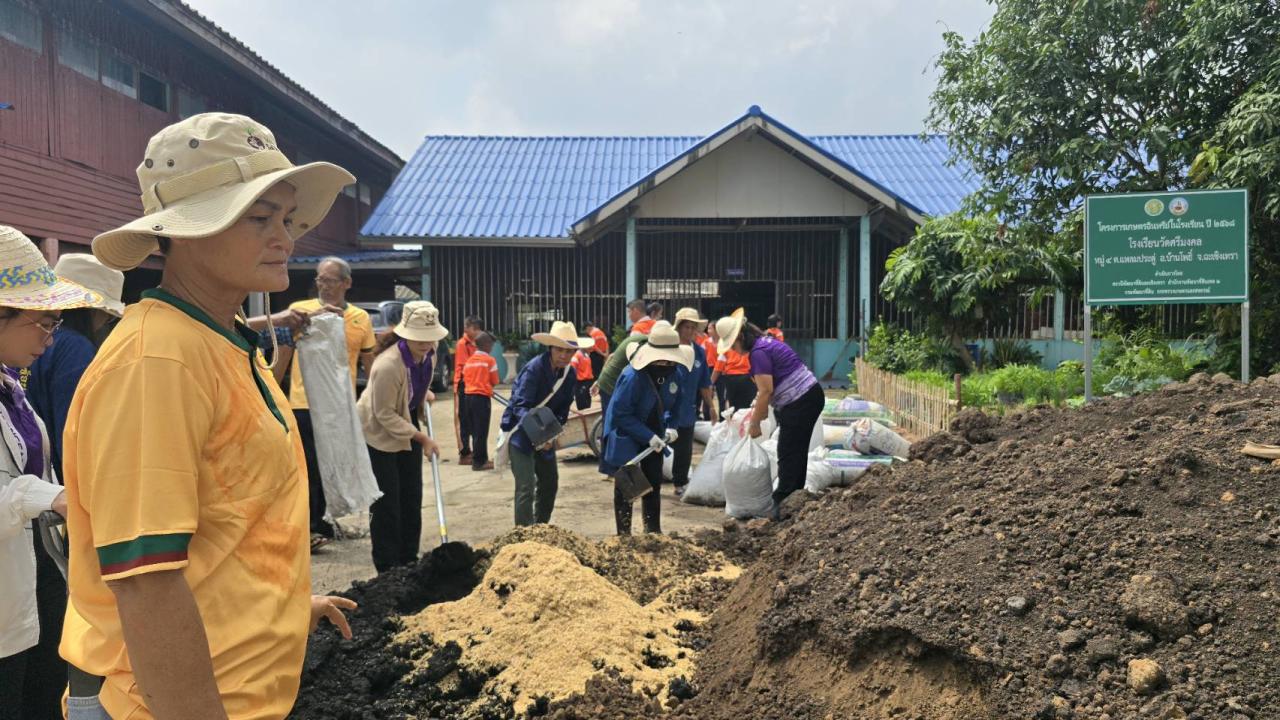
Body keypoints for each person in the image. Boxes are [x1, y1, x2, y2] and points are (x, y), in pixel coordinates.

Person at [61, 112, 356, 720]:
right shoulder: (157, 360)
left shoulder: (223, 340)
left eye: (285, 217)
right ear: (187, 231)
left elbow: (226, 525)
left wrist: (278, 605)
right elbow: (146, 580)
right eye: (259, 218)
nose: (285, 238)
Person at [0, 226, 97, 720]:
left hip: (28, 577)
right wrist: (47, 498)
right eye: (42, 322)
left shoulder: (11, 386)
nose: (50, 336)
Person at [286, 257, 377, 547]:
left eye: (329, 280)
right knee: (310, 466)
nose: (323, 286)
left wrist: (374, 399)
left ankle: (325, 521)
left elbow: (369, 365)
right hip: (304, 402)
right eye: (319, 280)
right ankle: (310, 528)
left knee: (334, 464)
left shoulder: (361, 319)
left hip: (340, 407)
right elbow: (285, 353)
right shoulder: (300, 312)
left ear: (346, 283)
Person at [357, 302, 445, 573]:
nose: (425, 343)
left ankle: (408, 559)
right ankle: (388, 567)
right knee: (387, 503)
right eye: (418, 337)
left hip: (404, 421)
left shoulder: (430, 352)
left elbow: (419, 381)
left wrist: (421, 394)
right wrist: (422, 438)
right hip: (378, 433)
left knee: (411, 496)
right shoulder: (387, 366)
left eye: (429, 337)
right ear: (405, 334)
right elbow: (383, 414)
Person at [26, 254, 125, 481]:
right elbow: (74, 433)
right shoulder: (77, 349)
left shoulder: (30, 339)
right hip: (58, 488)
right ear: (97, 311)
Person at [716, 313, 825, 520]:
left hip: (801, 400)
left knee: (789, 450)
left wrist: (755, 423)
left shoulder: (759, 352)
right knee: (794, 449)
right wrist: (761, 409)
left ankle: (784, 502)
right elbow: (767, 390)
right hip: (804, 398)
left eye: (731, 345)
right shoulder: (765, 344)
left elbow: (766, 390)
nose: (732, 351)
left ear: (739, 338)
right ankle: (792, 498)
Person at [598, 321, 691, 534]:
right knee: (627, 484)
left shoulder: (675, 373)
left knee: (652, 481)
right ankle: (624, 535)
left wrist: (672, 427)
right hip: (626, 430)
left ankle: (653, 531)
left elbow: (677, 404)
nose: (667, 364)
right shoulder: (633, 377)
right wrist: (647, 436)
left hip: (655, 430)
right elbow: (621, 414)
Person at [500, 321, 588, 526]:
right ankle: (524, 533)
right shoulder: (534, 370)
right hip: (521, 434)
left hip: (546, 434)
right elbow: (520, 407)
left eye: (570, 351)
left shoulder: (569, 374)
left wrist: (551, 435)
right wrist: (539, 435)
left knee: (550, 483)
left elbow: (563, 411)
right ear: (551, 348)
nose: (564, 356)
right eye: (560, 350)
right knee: (526, 486)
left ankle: (541, 527)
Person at [670, 309, 715, 496]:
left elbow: (704, 382)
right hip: (666, 406)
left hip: (687, 407)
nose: (689, 331)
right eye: (686, 327)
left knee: (684, 447)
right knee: (658, 445)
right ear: (678, 328)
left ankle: (680, 482)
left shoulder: (699, 352)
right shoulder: (669, 348)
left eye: (693, 328)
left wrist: (711, 406)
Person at [460, 332, 499, 471]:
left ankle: (479, 458)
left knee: (475, 431)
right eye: (492, 345)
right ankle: (480, 462)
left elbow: (464, 378)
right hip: (481, 398)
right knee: (482, 431)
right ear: (487, 345)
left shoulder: (469, 360)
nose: (492, 348)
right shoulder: (490, 360)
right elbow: (495, 380)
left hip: (467, 398)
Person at [453, 315, 483, 465]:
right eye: (473, 329)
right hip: (463, 383)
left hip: (475, 383)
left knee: (474, 419)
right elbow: (466, 365)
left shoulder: (477, 343)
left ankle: (473, 451)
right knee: (463, 419)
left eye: (477, 329)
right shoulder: (462, 344)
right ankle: (464, 453)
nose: (476, 332)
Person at [593, 331, 648, 412]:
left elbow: (611, 356)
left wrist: (599, 379)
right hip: (612, 385)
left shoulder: (641, 339)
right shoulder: (644, 344)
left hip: (609, 381)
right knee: (613, 419)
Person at [695, 322, 719, 421]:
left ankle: (721, 417)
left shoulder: (723, 343)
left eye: (711, 329)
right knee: (706, 391)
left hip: (720, 369)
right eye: (708, 328)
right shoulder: (706, 342)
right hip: (708, 367)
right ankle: (706, 415)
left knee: (721, 396)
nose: (708, 331)